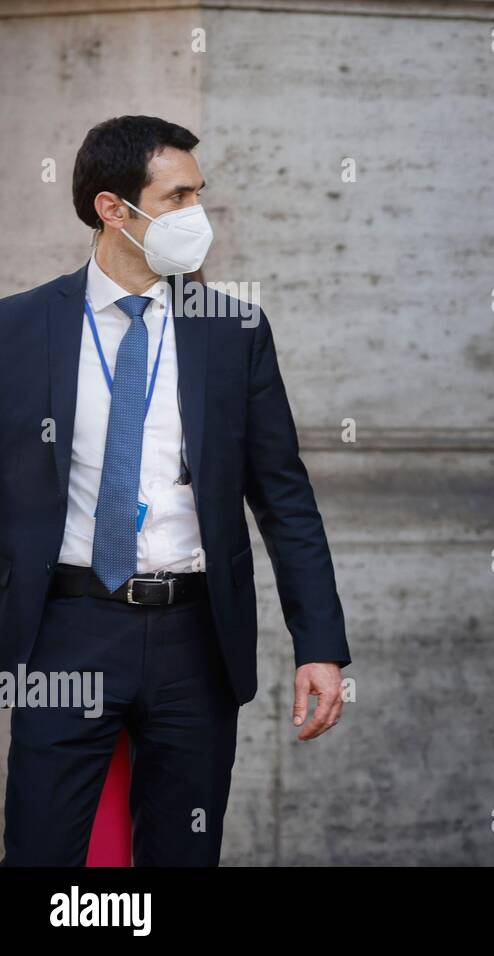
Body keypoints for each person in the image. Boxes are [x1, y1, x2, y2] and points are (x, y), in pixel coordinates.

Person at [0, 115, 351, 866]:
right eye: (179, 195)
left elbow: (285, 498)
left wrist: (319, 645)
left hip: (195, 639)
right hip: (64, 633)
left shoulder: (233, 330)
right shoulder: (19, 329)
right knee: (41, 853)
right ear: (112, 209)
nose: (198, 215)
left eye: (200, 194)